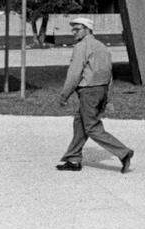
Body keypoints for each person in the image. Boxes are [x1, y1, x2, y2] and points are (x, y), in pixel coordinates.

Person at [56, 17, 133, 173]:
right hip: (101, 90)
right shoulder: (102, 47)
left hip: (89, 92)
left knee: (91, 127)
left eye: (77, 29)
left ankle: (123, 152)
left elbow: (74, 74)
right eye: (73, 29)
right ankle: (73, 159)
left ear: (87, 30)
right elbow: (109, 73)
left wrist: (64, 95)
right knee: (80, 123)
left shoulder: (81, 47)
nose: (74, 32)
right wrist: (108, 97)